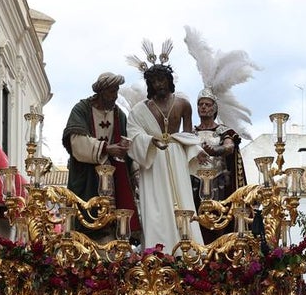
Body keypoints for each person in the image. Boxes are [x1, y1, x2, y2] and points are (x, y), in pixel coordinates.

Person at [127, 53, 203, 250]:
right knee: (156, 205)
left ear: (169, 80)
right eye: (153, 81)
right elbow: (133, 133)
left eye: (161, 79)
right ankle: (158, 249)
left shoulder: (183, 105)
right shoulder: (140, 110)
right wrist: (150, 140)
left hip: (177, 156)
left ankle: (188, 247)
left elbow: (187, 136)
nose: (158, 84)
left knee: (183, 199)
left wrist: (197, 149)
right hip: (153, 157)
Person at [62, 72, 141, 241]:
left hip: (113, 177)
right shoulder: (81, 109)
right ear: (101, 91)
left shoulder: (119, 114)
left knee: (113, 220)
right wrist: (106, 148)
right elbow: (76, 142)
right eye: (111, 92)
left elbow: (128, 145)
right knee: (86, 218)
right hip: (87, 176)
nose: (115, 96)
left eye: (116, 91)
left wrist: (125, 150)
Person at [192, 88, 244, 242]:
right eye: (200, 104)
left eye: (207, 104)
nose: (203, 107)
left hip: (218, 179)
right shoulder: (191, 132)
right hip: (195, 180)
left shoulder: (223, 131)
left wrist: (215, 150)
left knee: (219, 218)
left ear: (214, 108)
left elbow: (229, 147)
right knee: (195, 217)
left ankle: (219, 251)